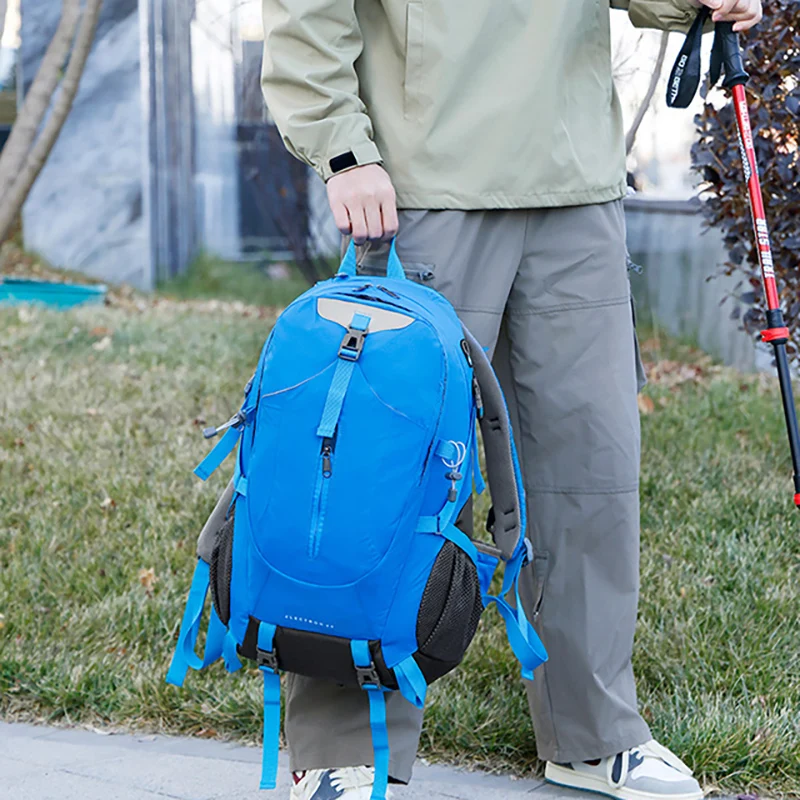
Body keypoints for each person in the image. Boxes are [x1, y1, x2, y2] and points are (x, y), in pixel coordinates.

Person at [258, 1, 763, 799]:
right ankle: (343, 753)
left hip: (575, 185)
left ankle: (593, 734)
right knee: (386, 476)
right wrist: (344, 151)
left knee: (586, 472)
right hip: (423, 182)